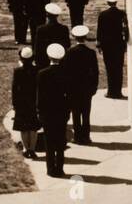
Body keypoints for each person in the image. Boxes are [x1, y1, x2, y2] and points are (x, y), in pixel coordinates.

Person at [37, 43, 70, 177]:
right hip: (61, 112)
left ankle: (51, 169)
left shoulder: (42, 74)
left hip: (47, 112)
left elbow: (39, 96)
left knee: (49, 143)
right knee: (60, 142)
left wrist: (39, 111)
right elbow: (68, 94)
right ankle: (60, 168)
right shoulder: (66, 73)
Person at [64, 25, 100, 146]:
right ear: (85, 37)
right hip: (86, 88)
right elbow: (95, 72)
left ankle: (78, 136)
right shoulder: (91, 53)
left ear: (74, 37)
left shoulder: (69, 52)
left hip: (73, 88)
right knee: (86, 113)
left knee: (75, 113)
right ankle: (86, 136)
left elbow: (66, 72)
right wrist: (94, 87)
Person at [96, 0, 128, 99]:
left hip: (107, 46)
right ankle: (118, 91)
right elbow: (125, 30)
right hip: (119, 45)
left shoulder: (103, 15)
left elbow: (99, 31)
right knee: (118, 68)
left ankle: (111, 91)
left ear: (107, 1)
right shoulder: (122, 14)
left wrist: (99, 45)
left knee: (110, 68)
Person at [11, 46, 40, 159]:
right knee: (33, 128)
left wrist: (14, 103)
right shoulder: (37, 70)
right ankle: (32, 149)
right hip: (33, 102)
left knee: (23, 128)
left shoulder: (18, 71)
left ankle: (25, 148)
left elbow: (14, 89)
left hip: (21, 102)